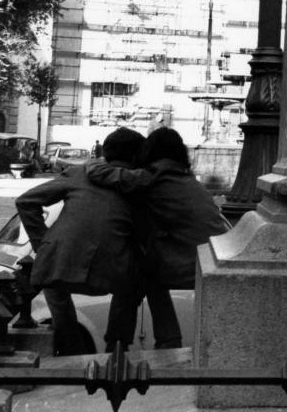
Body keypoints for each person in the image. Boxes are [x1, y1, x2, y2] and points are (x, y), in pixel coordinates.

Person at [87, 126, 225, 349]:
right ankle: (166, 341)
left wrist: (94, 162)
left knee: (133, 277)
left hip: (193, 264)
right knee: (148, 273)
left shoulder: (153, 177)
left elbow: (105, 175)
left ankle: (119, 344)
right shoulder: (184, 177)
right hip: (214, 258)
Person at [16, 127, 145, 355]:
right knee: (134, 281)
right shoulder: (140, 183)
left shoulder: (79, 173)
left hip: (60, 261)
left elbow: (26, 201)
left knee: (52, 281)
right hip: (111, 269)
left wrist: (42, 243)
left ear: (105, 151)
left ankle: (71, 344)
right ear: (137, 156)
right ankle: (116, 345)